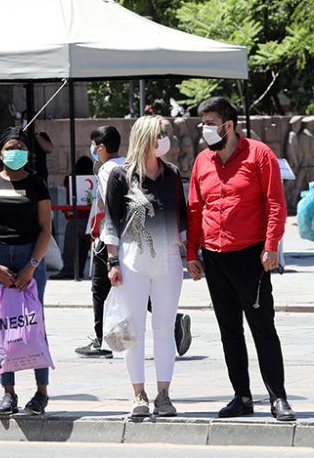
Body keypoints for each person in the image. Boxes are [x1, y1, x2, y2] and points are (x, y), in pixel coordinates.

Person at [186, 97, 296, 422]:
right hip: (214, 257)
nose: (204, 129)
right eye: (202, 122)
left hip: (252, 256)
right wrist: (192, 253)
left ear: (228, 125)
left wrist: (272, 246)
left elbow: (276, 204)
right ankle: (242, 396)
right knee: (229, 330)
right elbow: (194, 209)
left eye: (209, 122)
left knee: (262, 328)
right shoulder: (202, 162)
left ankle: (278, 397)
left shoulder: (259, 155)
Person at [103, 116, 187, 418]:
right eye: (161, 134)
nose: (166, 140)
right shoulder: (120, 176)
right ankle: (138, 394)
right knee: (132, 331)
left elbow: (182, 216)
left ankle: (164, 395)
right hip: (131, 261)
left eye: (167, 134)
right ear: (146, 138)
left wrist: (191, 254)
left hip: (168, 261)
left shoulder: (172, 174)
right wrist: (112, 261)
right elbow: (110, 221)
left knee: (164, 329)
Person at [0, 128, 54, 416]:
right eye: (10, 147)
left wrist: (32, 265)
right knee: (4, 326)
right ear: (0, 153)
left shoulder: (37, 184)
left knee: (34, 324)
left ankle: (41, 391)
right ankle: (8, 393)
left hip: (29, 256)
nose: (15, 151)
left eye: (20, 147)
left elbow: (46, 227)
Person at [75, 125, 125, 358]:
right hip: (127, 236)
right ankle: (173, 321)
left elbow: (106, 206)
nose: (93, 149)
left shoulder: (106, 170)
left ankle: (100, 340)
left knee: (99, 288)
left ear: (101, 147)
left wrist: (96, 231)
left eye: (94, 145)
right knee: (128, 287)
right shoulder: (127, 164)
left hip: (109, 237)